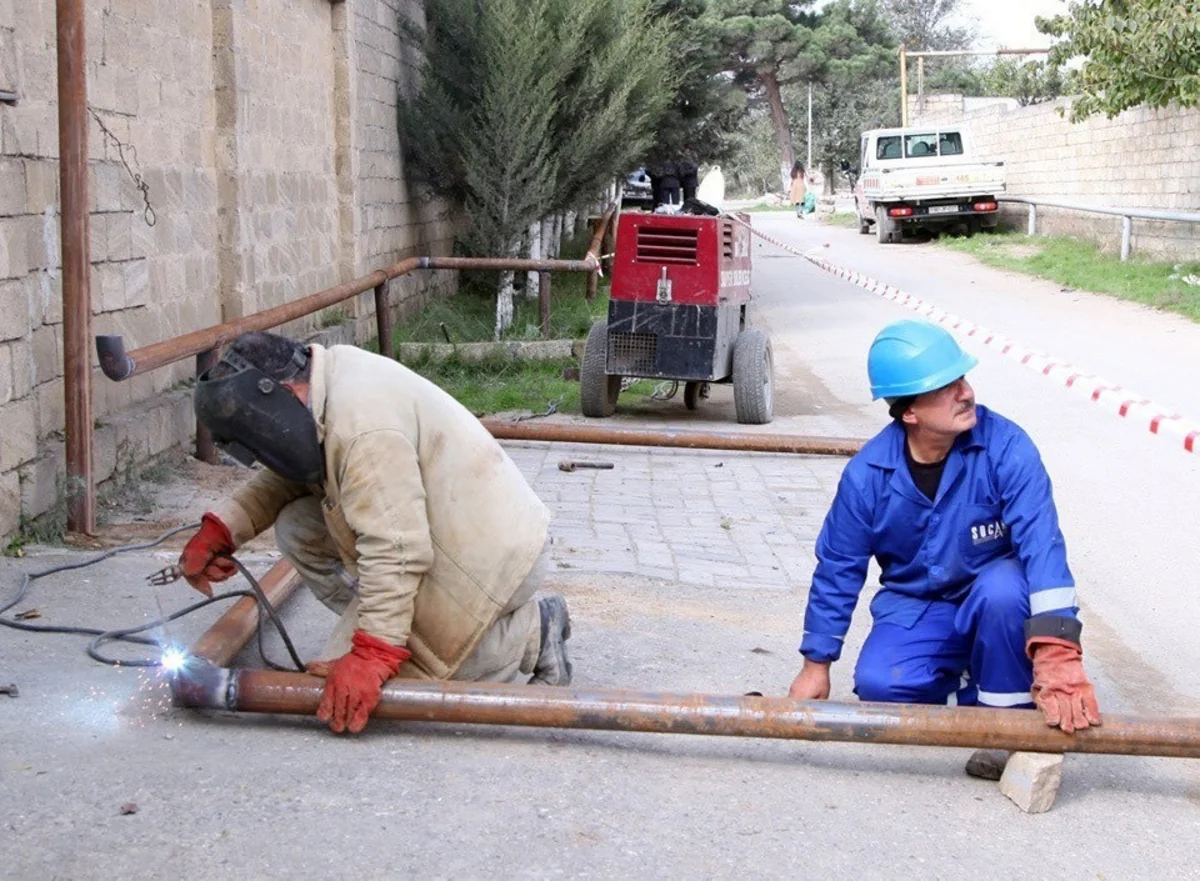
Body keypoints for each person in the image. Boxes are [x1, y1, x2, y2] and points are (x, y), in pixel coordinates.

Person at [177, 331, 573, 734]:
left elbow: (396, 549)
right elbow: (288, 471)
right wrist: (223, 527)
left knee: (380, 692)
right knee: (299, 526)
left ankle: (531, 634)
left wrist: (373, 655)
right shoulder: (327, 382)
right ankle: (399, 625)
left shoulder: (362, 427)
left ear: (282, 394)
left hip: (492, 558)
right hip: (453, 526)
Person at [789, 319, 1101, 775]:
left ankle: (1008, 724)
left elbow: (1043, 547)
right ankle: (990, 683)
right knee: (881, 687)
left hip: (996, 603)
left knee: (1003, 587)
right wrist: (816, 664)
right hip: (917, 604)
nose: (966, 393)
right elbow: (838, 568)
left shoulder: (1007, 448)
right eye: (945, 387)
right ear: (909, 412)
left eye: (963, 378)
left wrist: (1058, 651)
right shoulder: (868, 476)